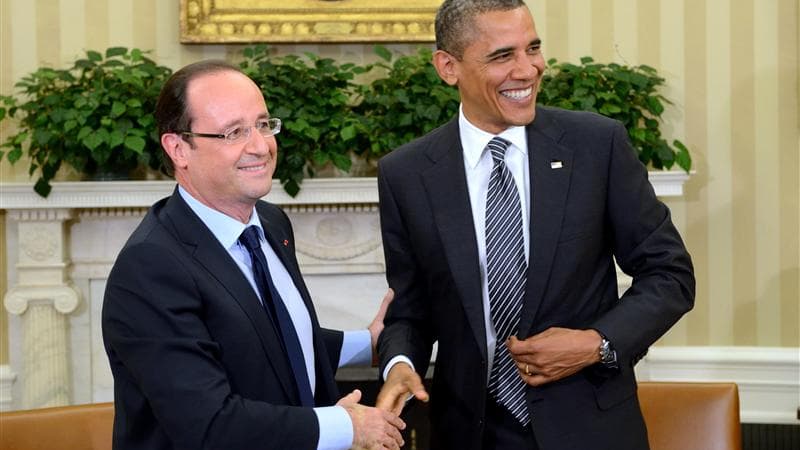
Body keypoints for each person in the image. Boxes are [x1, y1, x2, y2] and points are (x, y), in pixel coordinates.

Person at [374, 1, 695, 449]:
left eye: (534, 48)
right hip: (468, 433)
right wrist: (400, 363)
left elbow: (670, 275)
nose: (528, 70)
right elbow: (410, 308)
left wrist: (595, 343)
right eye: (503, 56)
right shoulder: (405, 174)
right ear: (448, 67)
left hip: (591, 429)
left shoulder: (596, 146)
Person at [102, 60, 405, 450]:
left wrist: (368, 343)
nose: (261, 146)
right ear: (178, 148)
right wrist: (347, 427)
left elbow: (264, 339)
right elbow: (209, 425)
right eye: (234, 132)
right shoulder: (150, 266)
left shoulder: (270, 223)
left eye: (263, 125)